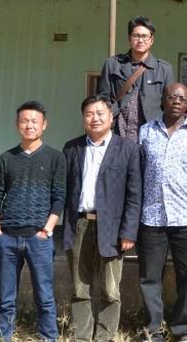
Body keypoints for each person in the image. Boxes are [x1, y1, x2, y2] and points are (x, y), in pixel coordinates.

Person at [62, 95, 142, 342]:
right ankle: (83, 337)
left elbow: (134, 193)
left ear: (111, 117)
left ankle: (104, 337)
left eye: (100, 113)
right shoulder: (72, 148)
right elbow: (64, 189)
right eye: (89, 114)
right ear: (83, 119)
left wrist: (129, 232)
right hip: (79, 224)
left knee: (110, 289)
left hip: (112, 228)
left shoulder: (127, 148)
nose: (94, 118)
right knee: (80, 287)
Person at [0, 101, 66, 342]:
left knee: (45, 296)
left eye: (34, 121)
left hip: (39, 238)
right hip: (8, 238)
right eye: (24, 121)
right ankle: (3, 337)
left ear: (44, 125)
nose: (29, 125)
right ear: (17, 124)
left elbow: (59, 196)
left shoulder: (55, 158)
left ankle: (48, 337)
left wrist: (48, 229)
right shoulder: (6, 158)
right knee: (6, 298)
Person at [138, 83, 187, 342]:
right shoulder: (146, 132)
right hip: (151, 216)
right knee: (149, 277)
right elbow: (139, 170)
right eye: (172, 97)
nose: (177, 101)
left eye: (182, 98)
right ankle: (154, 329)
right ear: (163, 101)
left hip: (185, 216)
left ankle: (185, 329)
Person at [97, 15, 174, 142]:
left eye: (144, 36)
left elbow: (168, 106)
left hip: (151, 136)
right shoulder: (113, 64)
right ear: (129, 39)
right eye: (136, 35)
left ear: (151, 40)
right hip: (117, 133)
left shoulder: (164, 69)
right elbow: (103, 98)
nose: (140, 40)